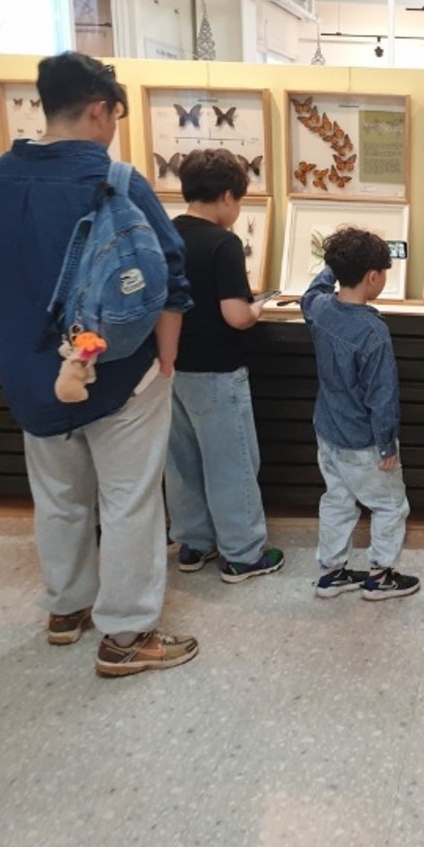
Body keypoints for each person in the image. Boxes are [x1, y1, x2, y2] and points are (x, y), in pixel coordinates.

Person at [0, 52, 199, 677]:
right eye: (115, 114)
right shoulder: (117, 182)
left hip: (34, 376)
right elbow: (170, 277)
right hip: (121, 372)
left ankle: (66, 610)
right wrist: (166, 359)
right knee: (129, 501)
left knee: (58, 497)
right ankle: (127, 635)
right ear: (99, 109)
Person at [165, 149, 284, 584]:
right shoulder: (223, 243)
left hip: (171, 369)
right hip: (216, 371)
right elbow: (235, 315)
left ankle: (193, 543)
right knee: (231, 463)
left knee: (182, 462)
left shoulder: (166, 232)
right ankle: (243, 554)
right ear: (229, 196)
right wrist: (259, 306)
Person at [300, 227, 419, 600]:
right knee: (390, 504)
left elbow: (310, 294)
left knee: (337, 500)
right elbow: (382, 396)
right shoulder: (372, 332)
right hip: (363, 440)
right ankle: (381, 576)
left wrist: (333, 267)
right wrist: (386, 445)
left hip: (327, 431)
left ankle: (332, 572)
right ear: (373, 277)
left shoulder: (320, 309)